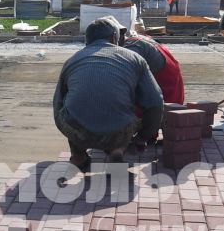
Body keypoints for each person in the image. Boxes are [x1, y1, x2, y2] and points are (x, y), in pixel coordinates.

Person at [52, 18, 163, 171]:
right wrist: (142, 137)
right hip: (119, 133)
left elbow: (57, 101)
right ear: (113, 38)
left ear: (87, 40)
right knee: (126, 115)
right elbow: (156, 103)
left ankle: (78, 156)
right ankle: (117, 151)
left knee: (68, 108)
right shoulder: (135, 58)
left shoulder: (72, 60)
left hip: (77, 132)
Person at [121, 28, 186, 106]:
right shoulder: (144, 41)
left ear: (114, 37)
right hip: (173, 99)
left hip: (162, 103)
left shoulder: (133, 47)